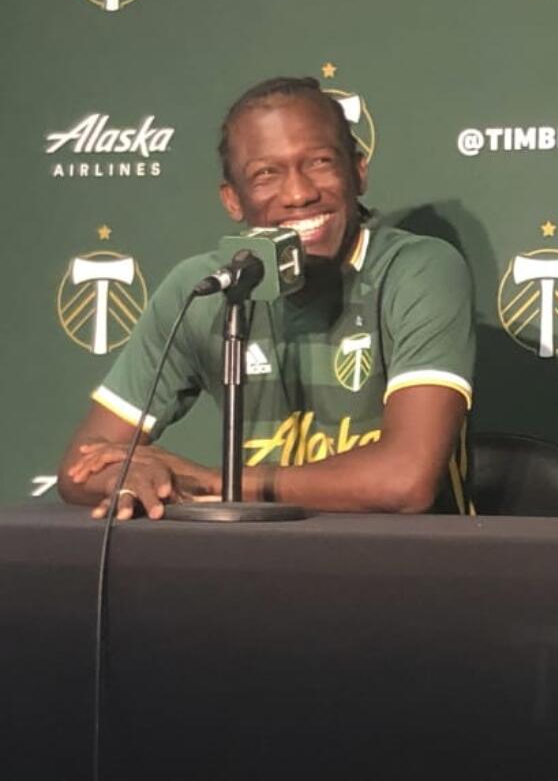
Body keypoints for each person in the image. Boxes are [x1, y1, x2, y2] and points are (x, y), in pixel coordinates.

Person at [57, 77, 475, 518]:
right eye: (266, 174)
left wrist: (214, 482)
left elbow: (404, 481)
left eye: (319, 162)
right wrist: (131, 476)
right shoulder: (205, 287)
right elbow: (79, 467)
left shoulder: (416, 270)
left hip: (408, 568)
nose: (299, 193)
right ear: (232, 200)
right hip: (257, 565)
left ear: (359, 172)